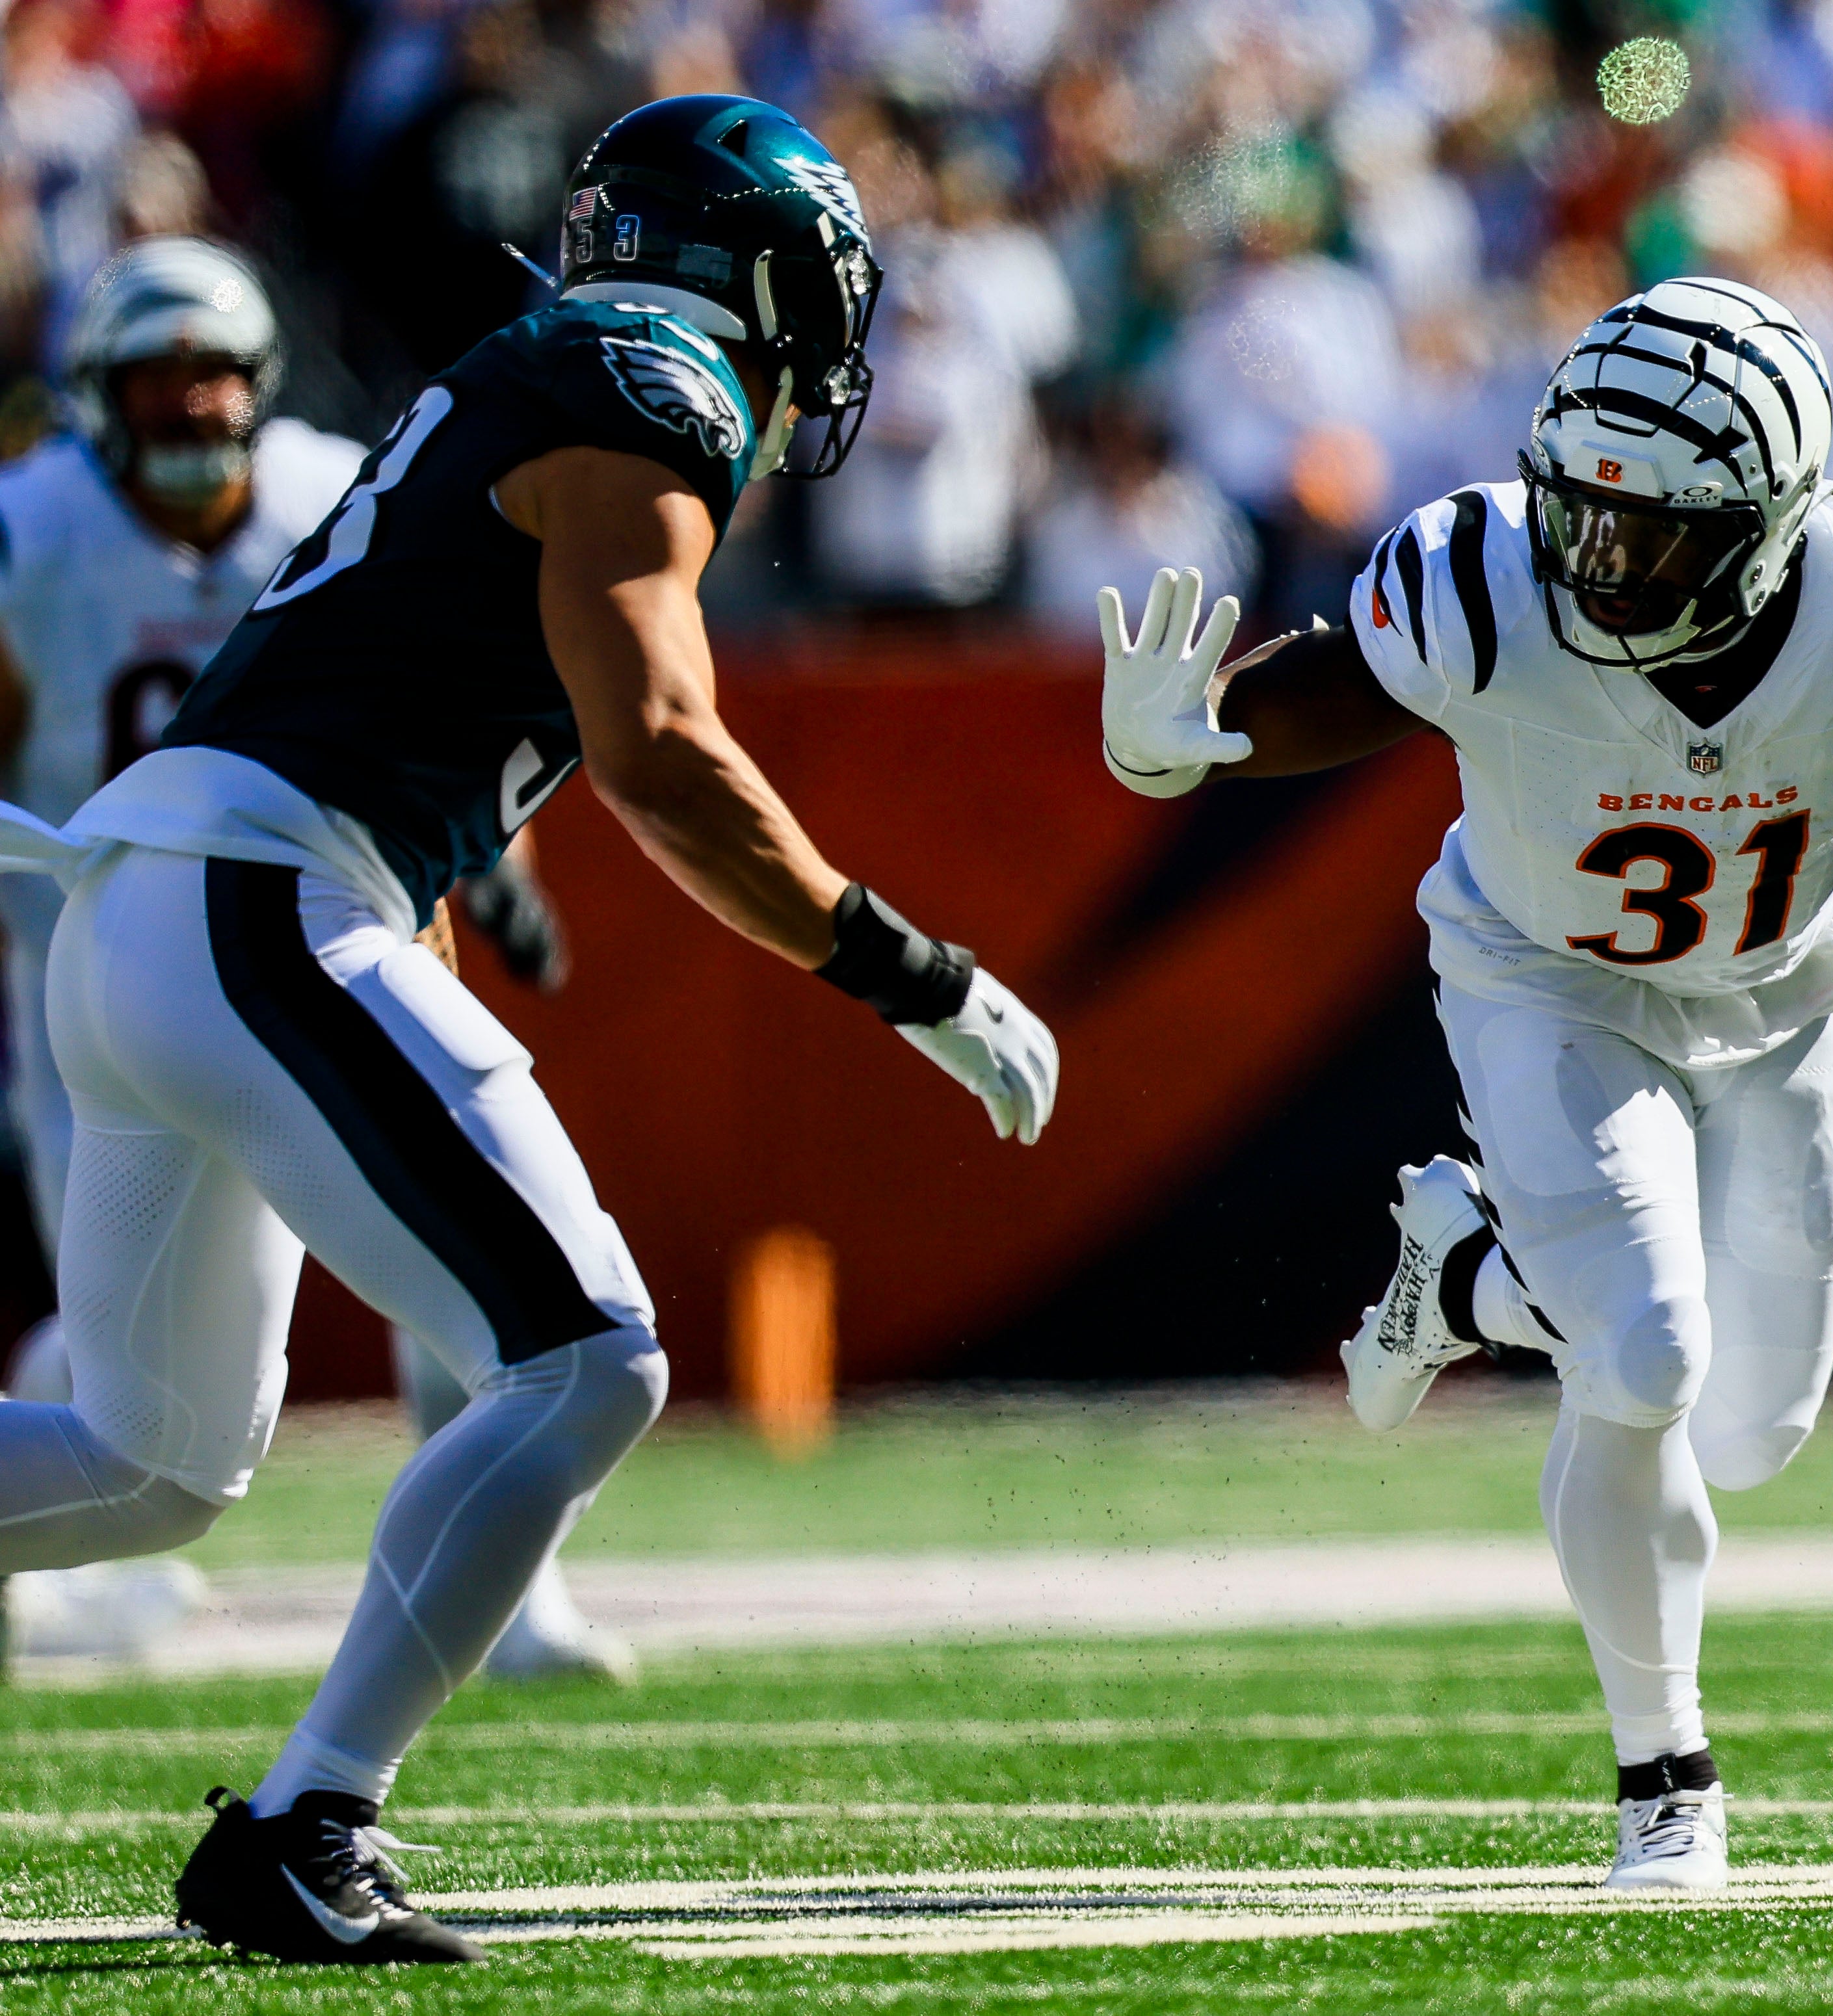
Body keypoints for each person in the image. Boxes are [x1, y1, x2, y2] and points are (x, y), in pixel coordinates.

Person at [0, 95, 1058, 1966]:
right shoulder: (650, 378)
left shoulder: (556, 363)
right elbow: (661, 751)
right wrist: (918, 973)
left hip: (147, 905)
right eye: (816, 283)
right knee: (587, 1356)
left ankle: (305, 1821)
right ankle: (305, 1820)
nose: (827, 333)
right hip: (250, 892)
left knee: (153, 1458)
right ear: (742, 264)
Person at [1098, 277, 1833, 1892]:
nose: (1596, 561)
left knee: (1753, 1429)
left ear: (1774, 525)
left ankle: (1477, 1279)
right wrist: (1186, 738)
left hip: (1779, 992)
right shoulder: (1486, 578)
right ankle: (1666, 1785)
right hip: (1549, 981)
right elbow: (1340, 682)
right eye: (1579, 513)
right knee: (1647, 1357)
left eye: (1654, 535)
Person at [0, 237, 619, 1684]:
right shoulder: (33, 532)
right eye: (157, 380)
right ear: (97, 397)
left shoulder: (332, 489)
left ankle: (512, 1596)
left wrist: (492, 860)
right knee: (134, 1404)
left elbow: (430, 695)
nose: (193, 409)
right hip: (95, 967)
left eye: (215, 376)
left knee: (464, 1260)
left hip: (308, 931)